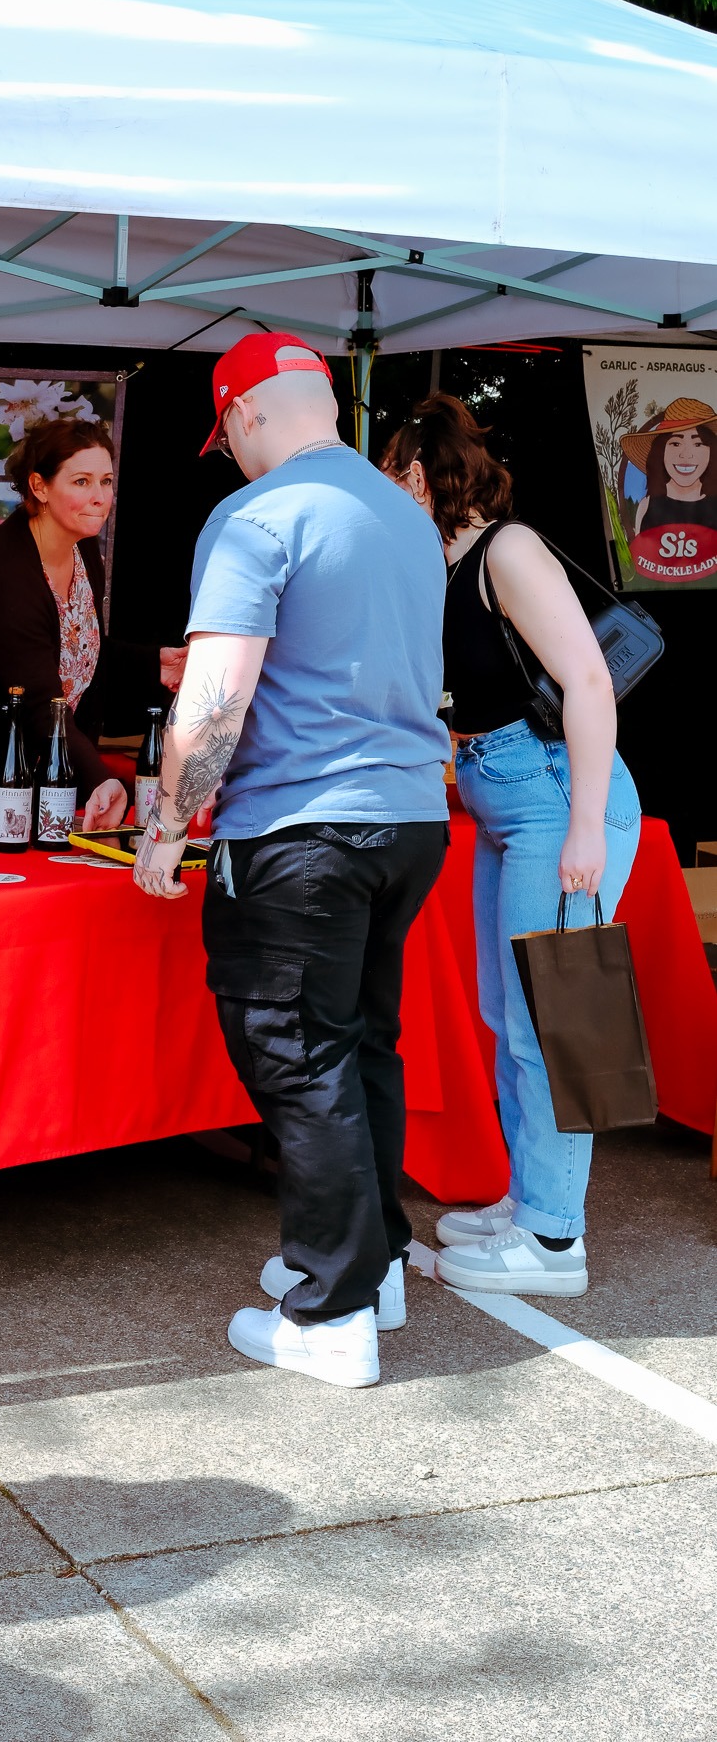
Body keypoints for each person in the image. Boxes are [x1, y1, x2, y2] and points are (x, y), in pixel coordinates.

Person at [133, 332, 450, 1390]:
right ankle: (377, 1260)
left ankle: (332, 1309)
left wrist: (170, 822)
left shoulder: (256, 515)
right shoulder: (406, 518)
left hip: (300, 828)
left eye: (223, 431)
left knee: (299, 1053)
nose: (225, 452)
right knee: (360, 1045)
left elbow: (215, 696)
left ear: (245, 413)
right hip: (407, 817)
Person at [381, 394, 641, 1296]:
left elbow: (587, 682)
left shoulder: (508, 549)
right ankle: (530, 1201)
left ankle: (554, 1241)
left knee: (555, 1019)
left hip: (559, 797)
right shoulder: (442, 563)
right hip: (508, 802)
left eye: (391, 476)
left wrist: (583, 829)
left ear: (416, 473)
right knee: (510, 1017)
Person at [0, 417, 186, 826]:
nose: (100, 497)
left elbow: (75, 648)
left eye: (106, 481)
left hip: (27, 753)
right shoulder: (7, 573)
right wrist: (98, 780)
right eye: (81, 482)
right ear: (39, 487)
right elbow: (37, 694)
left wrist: (151, 665)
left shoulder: (83, 550)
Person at [626, 397, 717, 536]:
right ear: (661, 451)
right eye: (675, 444)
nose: (686, 455)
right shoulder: (646, 505)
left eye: (698, 444)